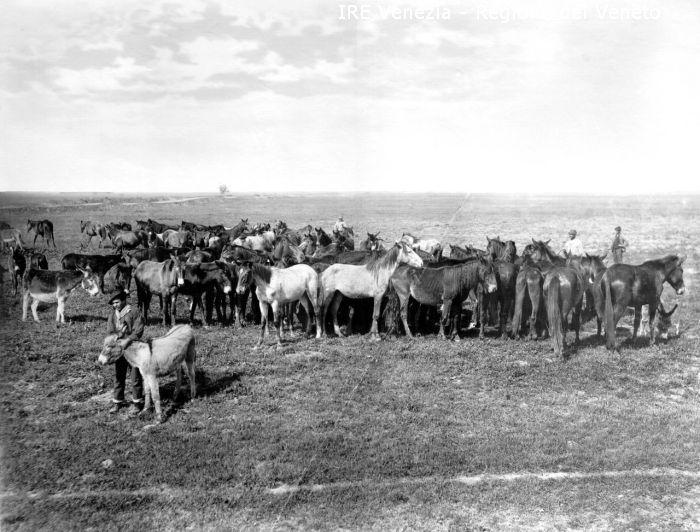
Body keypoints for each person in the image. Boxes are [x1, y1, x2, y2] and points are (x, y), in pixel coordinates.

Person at [106, 288, 145, 415]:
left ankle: (137, 403)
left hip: (133, 348)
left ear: (124, 300)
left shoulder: (134, 311)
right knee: (119, 375)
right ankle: (118, 401)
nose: (115, 305)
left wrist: (128, 339)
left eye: (117, 302)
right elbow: (110, 330)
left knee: (135, 376)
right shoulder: (113, 314)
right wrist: (115, 336)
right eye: (113, 303)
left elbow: (138, 330)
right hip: (119, 349)